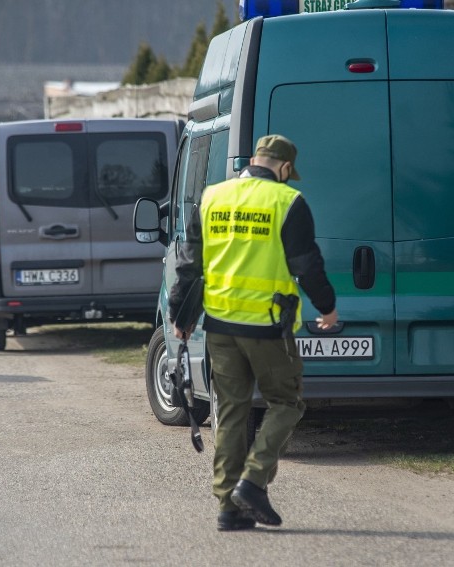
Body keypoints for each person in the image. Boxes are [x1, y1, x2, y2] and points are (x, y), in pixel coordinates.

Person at [169, 134, 338, 531]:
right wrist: (327, 307)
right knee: (286, 403)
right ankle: (253, 481)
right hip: (267, 327)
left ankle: (229, 507)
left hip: (220, 326)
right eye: (288, 173)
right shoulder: (287, 202)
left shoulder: (211, 198)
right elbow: (306, 265)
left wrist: (180, 314)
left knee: (230, 411)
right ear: (282, 167)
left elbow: (189, 264)